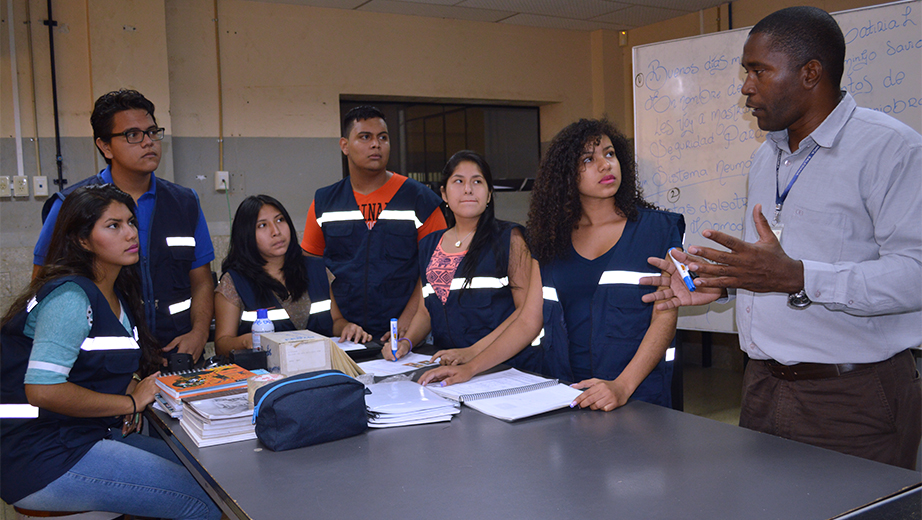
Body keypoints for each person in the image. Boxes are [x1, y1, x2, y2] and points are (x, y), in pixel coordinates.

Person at [640, 7, 921, 469]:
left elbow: (916, 275)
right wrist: (724, 280)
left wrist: (799, 277)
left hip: (852, 396)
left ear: (811, 73)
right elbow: (775, 265)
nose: (746, 87)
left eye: (759, 71)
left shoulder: (891, 150)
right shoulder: (765, 157)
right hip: (762, 387)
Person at [420, 119, 683, 411]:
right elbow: (527, 321)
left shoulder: (658, 229)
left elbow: (665, 318)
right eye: (588, 159)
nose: (605, 165)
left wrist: (622, 386)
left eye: (609, 154)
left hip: (639, 398)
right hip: (565, 393)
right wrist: (471, 367)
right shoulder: (550, 240)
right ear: (566, 175)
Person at [1, 185, 221, 519]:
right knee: (203, 501)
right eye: (113, 226)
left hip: (82, 436)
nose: (130, 233)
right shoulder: (71, 299)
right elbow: (42, 389)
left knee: (207, 472)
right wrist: (129, 402)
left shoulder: (114, 293)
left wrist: (132, 386)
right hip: (42, 455)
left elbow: (92, 367)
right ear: (82, 240)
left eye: (131, 222)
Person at [34, 89, 215, 363]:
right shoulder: (71, 205)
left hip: (176, 354)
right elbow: (43, 284)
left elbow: (201, 281)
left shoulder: (185, 202)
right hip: (104, 362)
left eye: (153, 132)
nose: (148, 142)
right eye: (133, 135)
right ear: (105, 146)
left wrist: (200, 333)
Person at [300, 106, 447, 340]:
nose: (376, 144)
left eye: (383, 138)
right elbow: (313, 270)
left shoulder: (420, 200)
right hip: (345, 338)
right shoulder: (324, 203)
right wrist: (339, 322)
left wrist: (407, 323)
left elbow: (437, 270)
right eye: (365, 137)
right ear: (344, 145)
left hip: (411, 336)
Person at [383, 151, 536, 372]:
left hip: (503, 367)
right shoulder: (429, 244)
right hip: (448, 366)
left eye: (477, 181)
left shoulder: (509, 239)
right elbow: (426, 312)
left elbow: (525, 312)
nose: (468, 189)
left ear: (489, 194)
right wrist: (405, 343)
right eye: (458, 181)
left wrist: (473, 352)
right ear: (444, 193)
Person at [214, 195, 372, 356]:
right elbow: (222, 344)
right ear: (245, 235)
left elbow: (336, 321)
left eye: (280, 220)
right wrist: (246, 341)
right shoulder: (233, 282)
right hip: (269, 375)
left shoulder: (317, 269)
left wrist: (347, 327)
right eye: (262, 225)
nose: (276, 231)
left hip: (323, 369)